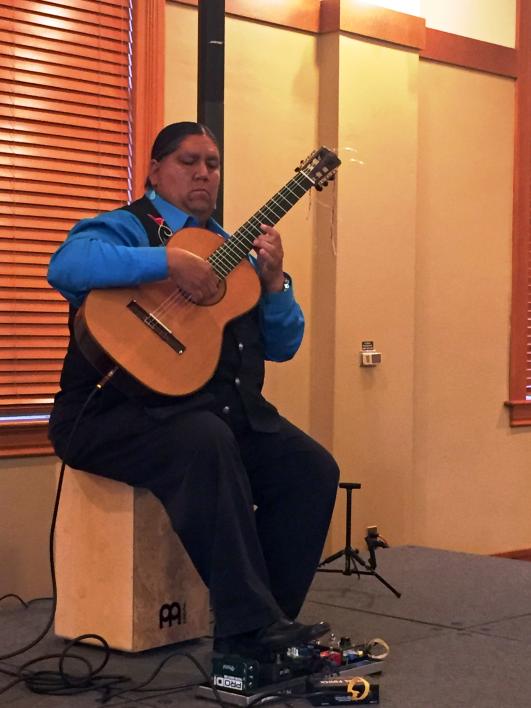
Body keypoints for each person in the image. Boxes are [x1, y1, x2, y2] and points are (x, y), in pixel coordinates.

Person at [47, 121, 340, 656]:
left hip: (212, 412)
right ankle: (246, 628)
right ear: (155, 171)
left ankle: (269, 619)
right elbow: (67, 265)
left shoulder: (235, 252)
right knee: (204, 440)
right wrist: (168, 261)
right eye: (188, 161)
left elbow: (283, 345)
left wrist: (275, 284)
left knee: (311, 468)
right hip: (109, 413)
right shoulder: (128, 227)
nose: (204, 172)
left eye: (213, 163)